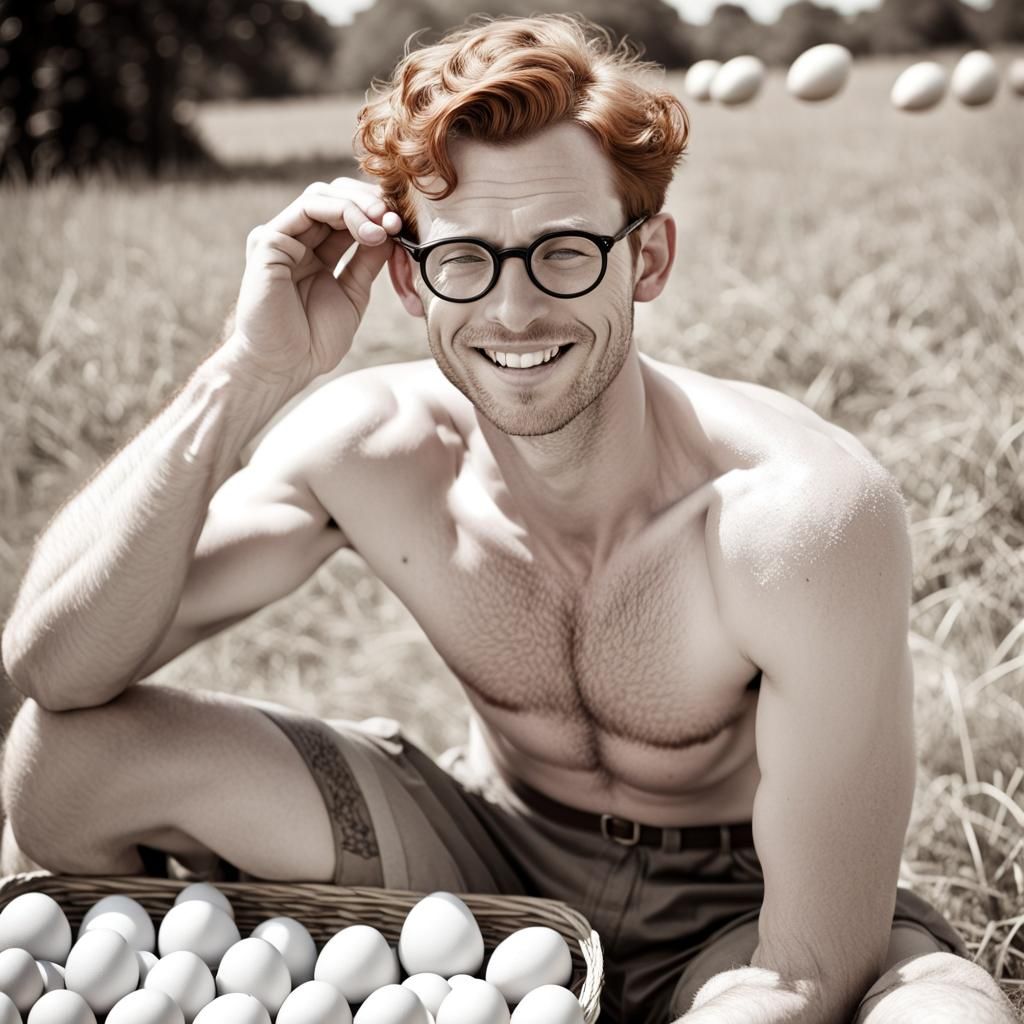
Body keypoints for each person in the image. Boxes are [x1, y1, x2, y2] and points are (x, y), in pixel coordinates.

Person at [0, 15, 1015, 1024]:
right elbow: (56, 668)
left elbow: (806, 965)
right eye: (466, 258)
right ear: (407, 275)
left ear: (647, 258)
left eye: (564, 251)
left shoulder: (799, 515)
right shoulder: (370, 444)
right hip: (481, 852)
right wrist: (244, 374)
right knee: (64, 764)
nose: (514, 310)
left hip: (744, 905)